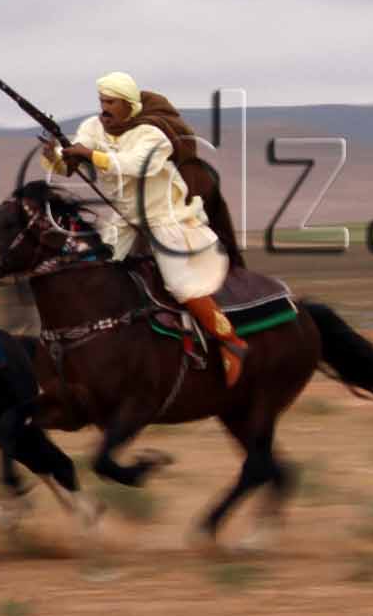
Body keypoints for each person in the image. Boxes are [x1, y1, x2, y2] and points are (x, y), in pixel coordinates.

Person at [48, 71, 246, 386]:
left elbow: (137, 165)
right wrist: (58, 157)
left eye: (111, 102)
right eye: (102, 101)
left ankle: (230, 341)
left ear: (128, 105)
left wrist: (89, 155)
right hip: (122, 219)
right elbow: (73, 158)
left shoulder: (153, 134)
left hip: (164, 219)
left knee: (181, 285)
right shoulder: (93, 127)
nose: (104, 109)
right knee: (95, 271)